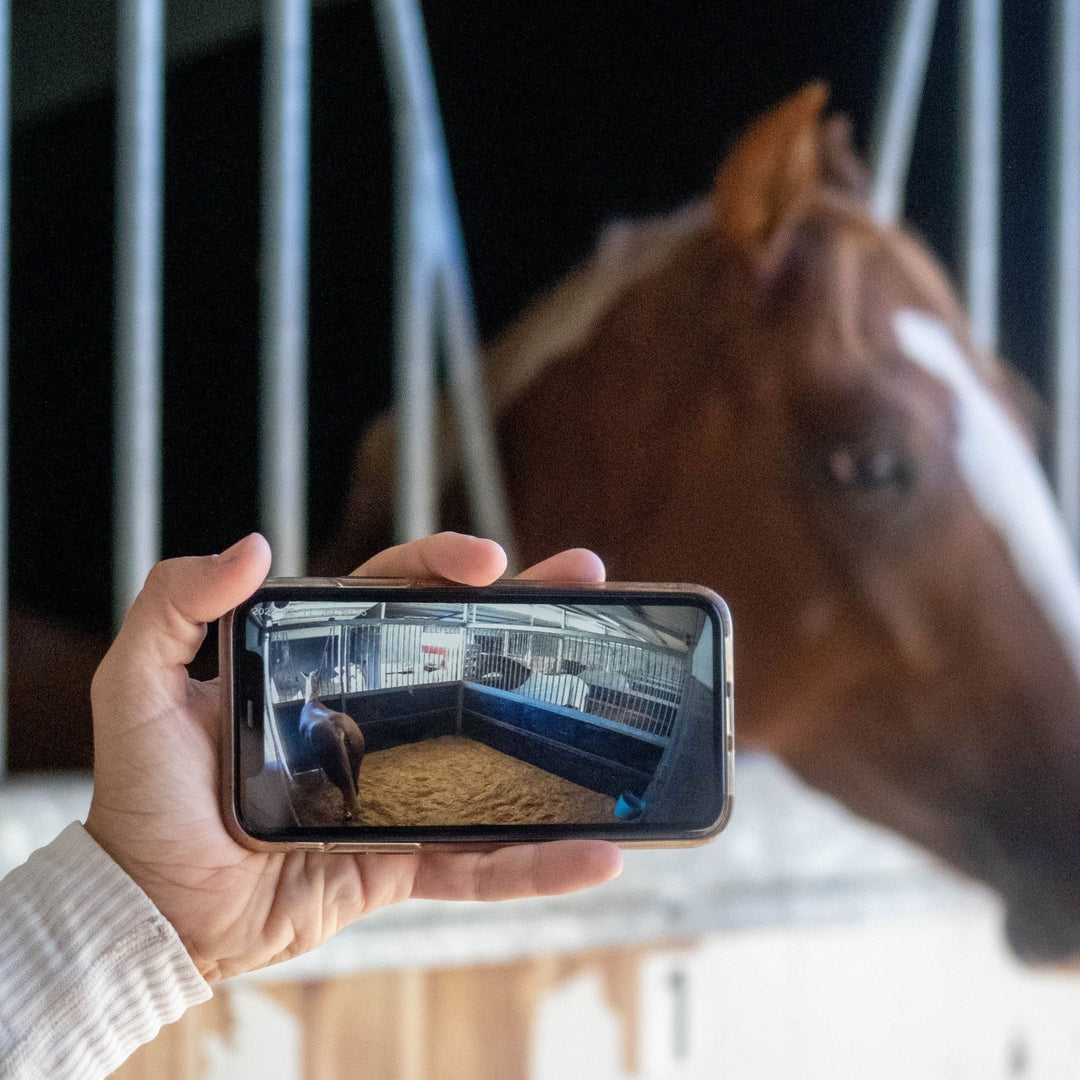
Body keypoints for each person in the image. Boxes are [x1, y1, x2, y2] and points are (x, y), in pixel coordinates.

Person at [0, 532, 623, 1080]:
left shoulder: (306, 713)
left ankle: (349, 802)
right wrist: (145, 893)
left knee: (340, 766)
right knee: (354, 764)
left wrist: (141, 897)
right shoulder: (333, 711)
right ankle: (353, 799)